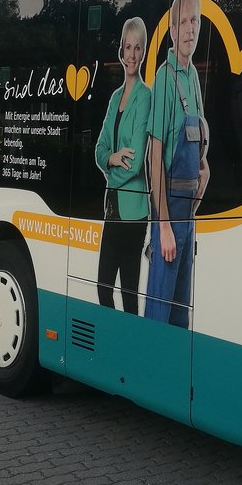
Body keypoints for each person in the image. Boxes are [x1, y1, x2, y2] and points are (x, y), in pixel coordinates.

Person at [146, 0, 209, 328]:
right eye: (183, 22)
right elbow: (155, 158)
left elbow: (197, 140)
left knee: (180, 312)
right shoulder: (164, 78)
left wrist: (205, 169)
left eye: (194, 21)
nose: (189, 29)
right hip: (169, 211)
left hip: (189, 215)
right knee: (159, 310)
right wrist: (163, 227)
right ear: (172, 31)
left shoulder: (193, 77)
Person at [94, 17, 152, 314]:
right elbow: (99, 148)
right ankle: (113, 341)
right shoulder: (116, 97)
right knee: (103, 286)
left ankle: (129, 349)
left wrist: (111, 164)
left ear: (143, 53)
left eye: (137, 48)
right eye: (127, 47)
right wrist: (111, 157)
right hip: (112, 208)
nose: (131, 54)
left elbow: (135, 161)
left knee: (129, 292)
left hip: (133, 212)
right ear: (121, 50)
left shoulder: (146, 97)